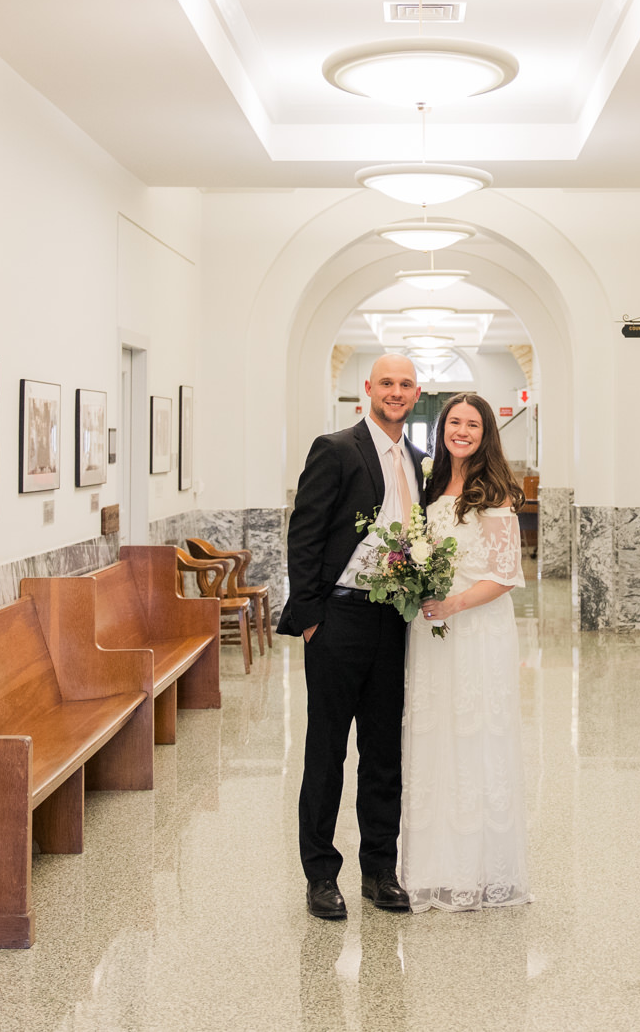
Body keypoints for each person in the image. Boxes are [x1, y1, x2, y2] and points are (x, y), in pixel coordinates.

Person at [278, 353, 427, 921]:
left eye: (405, 385)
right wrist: (312, 617)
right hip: (338, 621)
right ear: (368, 388)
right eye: (386, 383)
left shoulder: (418, 461)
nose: (395, 392)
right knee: (327, 750)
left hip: (394, 620)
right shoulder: (336, 448)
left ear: (417, 394)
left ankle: (380, 871)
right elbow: (305, 533)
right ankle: (320, 875)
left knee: (384, 751)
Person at [402, 392, 532, 911]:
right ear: (442, 428)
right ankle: (432, 865)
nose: (461, 431)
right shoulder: (431, 483)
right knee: (436, 734)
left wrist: (453, 603)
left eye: (472, 424)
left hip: (476, 628)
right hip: (431, 631)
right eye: (453, 422)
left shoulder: (495, 492)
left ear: (486, 433)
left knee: (476, 734)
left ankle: (478, 869)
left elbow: (505, 575)